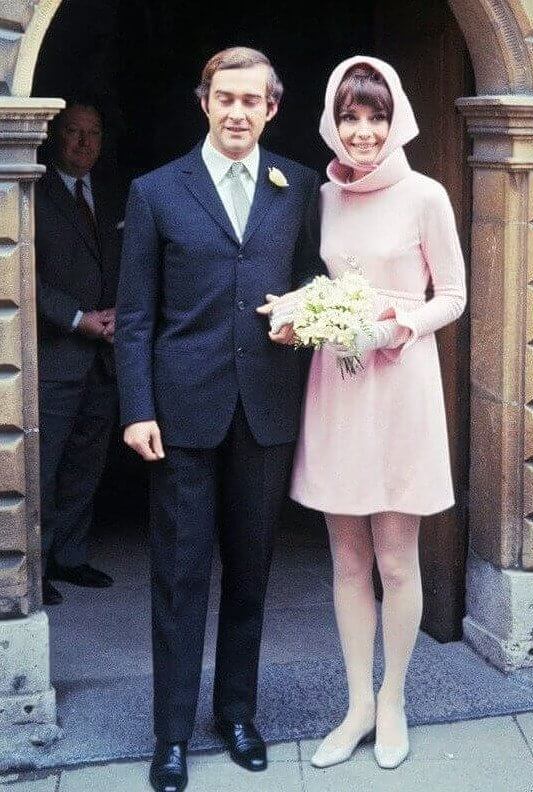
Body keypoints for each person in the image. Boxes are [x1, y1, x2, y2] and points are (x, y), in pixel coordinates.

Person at [114, 47, 323, 792]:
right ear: (204, 101)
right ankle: (171, 734)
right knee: (178, 575)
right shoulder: (156, 191)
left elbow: (311, 278)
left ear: (273, 106)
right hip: (181, 415)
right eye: (225, 98)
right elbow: (135, 316)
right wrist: (137, 408)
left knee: (252, 571)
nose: (238, 112)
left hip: (264, 409)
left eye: (252, 100)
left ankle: (237, 713)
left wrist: (308, 312)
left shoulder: (297, 185)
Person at [268, 57, 466, 769]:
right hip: (338, 387)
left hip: (398, 383)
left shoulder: (426, 196)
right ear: (332, 118)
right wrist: (301, 313)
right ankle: (355, 703)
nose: (362, 131)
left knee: (396, 557)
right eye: (350, 116)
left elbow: (454, 295)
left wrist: (390, 327)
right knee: (347, 559)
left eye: (375, 116)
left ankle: (394, 701)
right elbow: (315, 282)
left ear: (396, 118)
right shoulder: (320, 197)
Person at [35, 100, 122, 606]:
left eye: (93, 133)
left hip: (105, 357)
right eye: (73, 132)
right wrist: (77, 318)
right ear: (54, 136)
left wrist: (117, 315)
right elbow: (21, 275)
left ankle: (69, 556)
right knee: (43, 467)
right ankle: (36, 563)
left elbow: (134, 263)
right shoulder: (33, 192)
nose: (84, 143)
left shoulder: (112, 196)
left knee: (86, 463)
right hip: (55, 355)